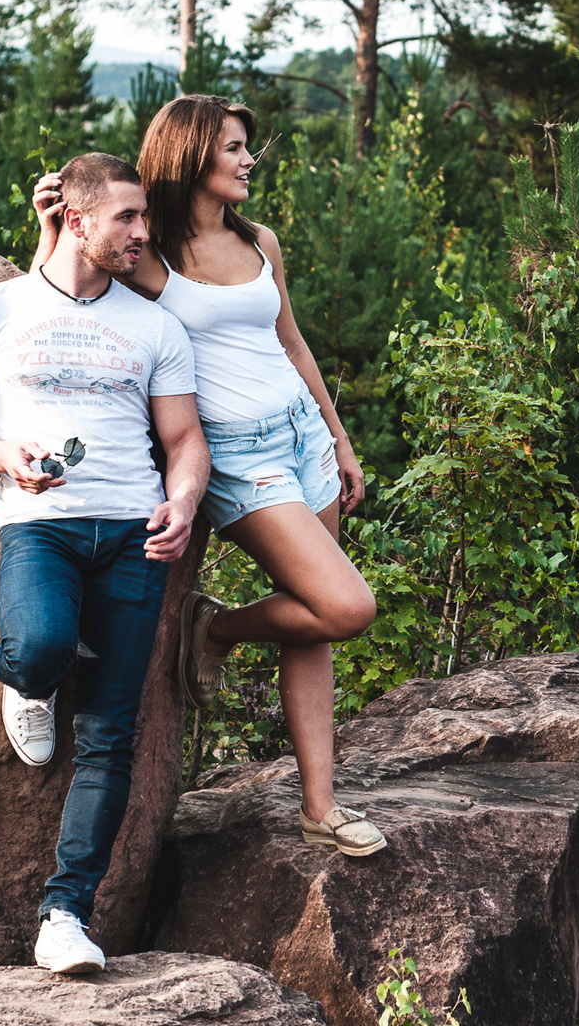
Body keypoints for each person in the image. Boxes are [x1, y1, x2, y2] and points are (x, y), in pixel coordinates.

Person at [30, 95, 385, 858]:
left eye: (245, 147)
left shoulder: (261, 241)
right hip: (241, 458)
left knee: (313, 624)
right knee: (346, 605)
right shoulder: (151, 260)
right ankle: (214, 627)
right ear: (192, 155)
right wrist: (51, 228)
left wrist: (337, 436)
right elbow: (59, 298)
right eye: (232, 148)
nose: (248, 160)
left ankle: (319, 808)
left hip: (301, 437)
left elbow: (292, 342)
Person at [0, 153, 209, 973]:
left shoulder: (155, 324)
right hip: (41, 525)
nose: (142, 233)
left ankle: (65, 916)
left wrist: (183, 504)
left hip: (133, 535)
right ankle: (27, 676)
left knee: (110, 735)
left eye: (144, 217)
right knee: (43, 645)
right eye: (126, 217)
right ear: (75, 220)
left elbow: (185, 440)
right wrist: (4, 455)